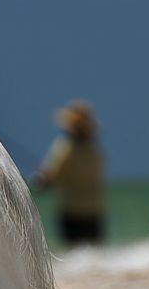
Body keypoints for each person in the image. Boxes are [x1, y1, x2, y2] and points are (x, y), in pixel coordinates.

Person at [33, 100, 105, 246]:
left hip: (71, 211)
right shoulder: (94, 149)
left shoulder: (64, 147)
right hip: (94, 210)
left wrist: (41, 179)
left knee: (75, 255)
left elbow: (48, 177)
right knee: (95, 255)